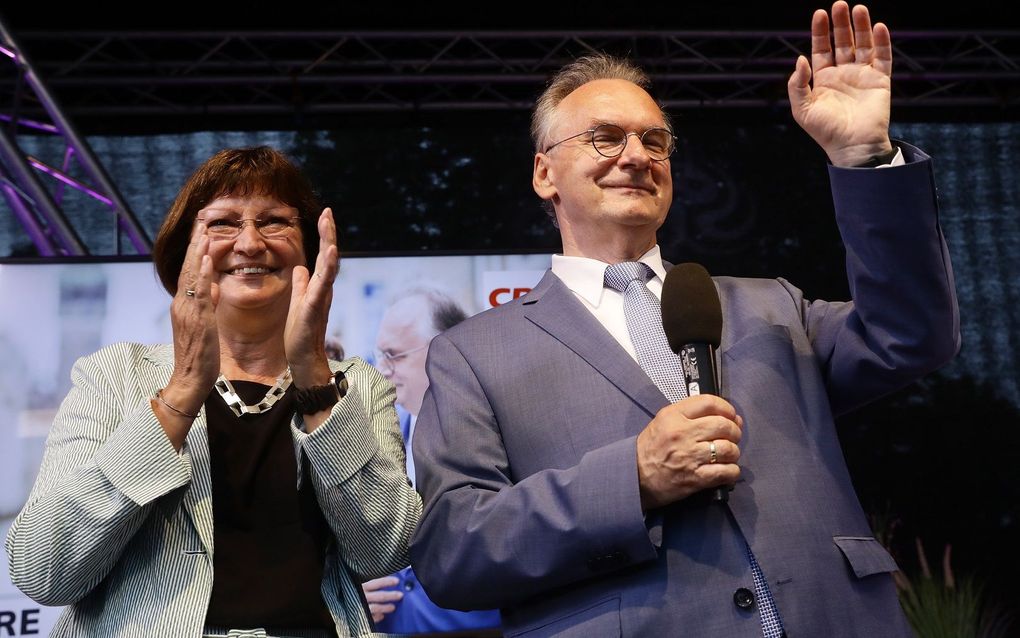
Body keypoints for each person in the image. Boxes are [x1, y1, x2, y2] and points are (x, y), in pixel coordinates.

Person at [409, 3, 960, 637]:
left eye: (655, 139)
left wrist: (864, 157)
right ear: (544, 174)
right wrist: (632, 479)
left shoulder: (769, 305)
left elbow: (912, 336)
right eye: (605, 137)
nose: (636, 155)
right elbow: (454, 552)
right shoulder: (473, 355)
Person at [5, 146, 421, 638]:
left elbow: (385, 550)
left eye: (274, 222)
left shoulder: (355, 385)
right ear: (185, 253)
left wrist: (312, 376)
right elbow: (43, 569)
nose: (250, 243)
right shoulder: (114, 376)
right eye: (223, 223)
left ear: (309, 250)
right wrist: (180, 393)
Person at [362, 288, 501, 636]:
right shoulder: (376, 435)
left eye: (394, 356)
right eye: (380, 355)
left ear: (448, 347)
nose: (382, 371)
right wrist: (349, 595)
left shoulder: (502, 433)